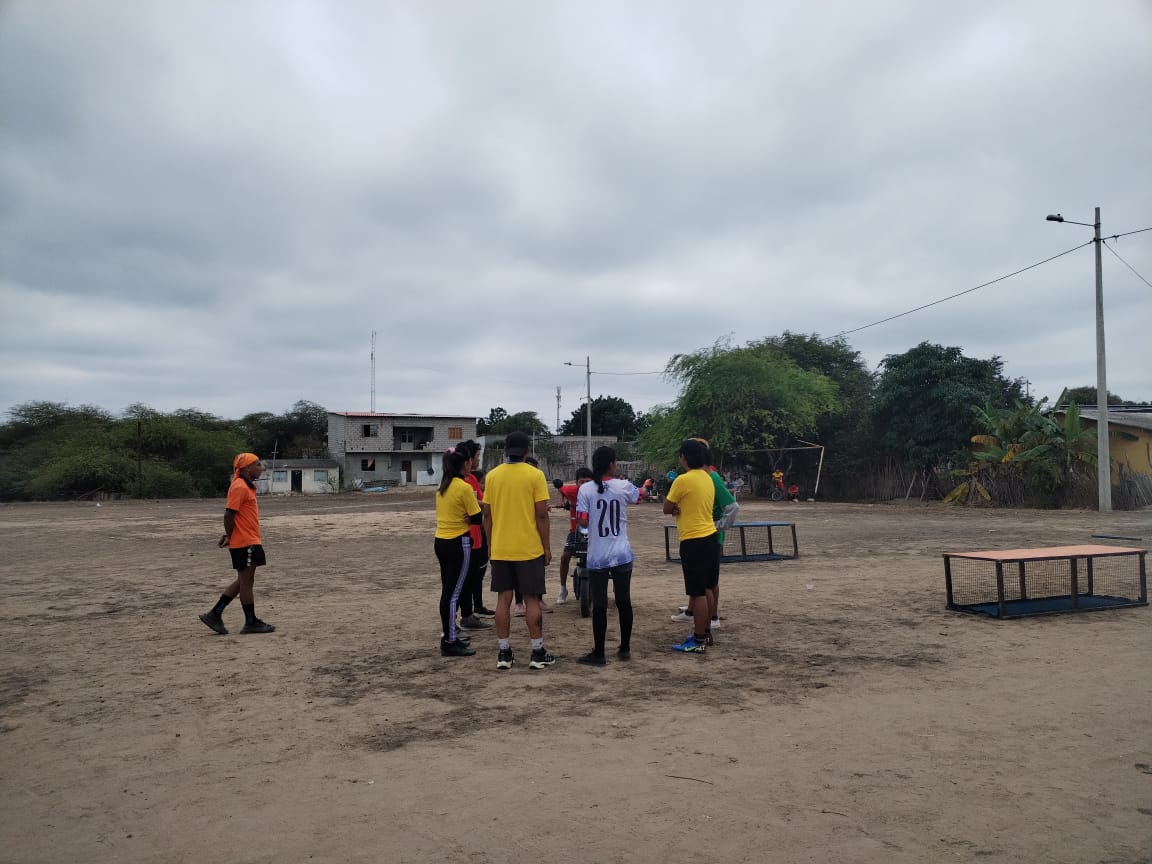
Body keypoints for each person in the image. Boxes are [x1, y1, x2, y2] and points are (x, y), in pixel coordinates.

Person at [481, 431, 555, 670]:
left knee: (503, 599)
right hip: (528, 549)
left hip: (501, 549)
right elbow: (541, 514)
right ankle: (537, 651)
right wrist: (546, 546)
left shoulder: (492, 476)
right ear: (527, 451)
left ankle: (504, 652)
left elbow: (487, 516)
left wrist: (491, 545)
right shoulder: (535, 475)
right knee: (532, 598)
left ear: (505, 451)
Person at [574, 446, 640, 665]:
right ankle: (625, 648)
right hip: (621, 553)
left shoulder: (585, 490)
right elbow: (638, 496)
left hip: (598, 555)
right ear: (612, 464)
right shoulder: (623, 485)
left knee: (600, 604)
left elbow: (582, 520)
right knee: (623, 601)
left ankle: (600, 653)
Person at [199, 453, 275, 635]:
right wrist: (229, 536)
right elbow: (229, 515)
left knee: (243, 581)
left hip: (248, 540)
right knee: (246, 582)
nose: (261, 468)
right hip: (245, 542)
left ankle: (214, 614)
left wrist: (230, 535)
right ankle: (250, 622)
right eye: (257, 464)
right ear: (247, 468)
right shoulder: (239, 486)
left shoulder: (245, 486)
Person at [662, 439, 716, 653]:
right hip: (710, 536)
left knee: (697, 592)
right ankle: (706, 632)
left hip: (693, 540)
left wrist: (675, 508)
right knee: (708, 587)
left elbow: (667, 507)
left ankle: (698, 640)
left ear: (684, 457)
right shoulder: (707, 477)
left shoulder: (683, 480)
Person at [434, 450, 482, 657]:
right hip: (458, 542)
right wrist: (471, 518)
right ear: (465, 464)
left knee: (448, 590)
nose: (472, 463)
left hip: (441, 541)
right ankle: (449, 641)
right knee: (453, 594)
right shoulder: (463, 487)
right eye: (470, 460)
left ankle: (450, 635)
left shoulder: (442, 488)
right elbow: (477, 517)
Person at [454, 441, 494, 631]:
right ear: (467, 460)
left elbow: (480, 504)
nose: (478, 460)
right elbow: (477, 504)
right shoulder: (459, 482)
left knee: (473, 578)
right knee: (462, 580)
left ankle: (470, 613)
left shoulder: (472, 479)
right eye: (477, 456)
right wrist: (488, 503)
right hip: (465, 537)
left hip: (477, 536)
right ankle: (460, 618)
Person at [552, 468, 593, 604]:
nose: (585, 485)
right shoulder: (571, 490)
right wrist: (560, 501)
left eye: (588, 482)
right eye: (582, 482)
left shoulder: (597, 492)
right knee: (565, 557)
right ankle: (563, 588)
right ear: (576, 483)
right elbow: (561, 490)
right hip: (575, 531)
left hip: (595, 532)